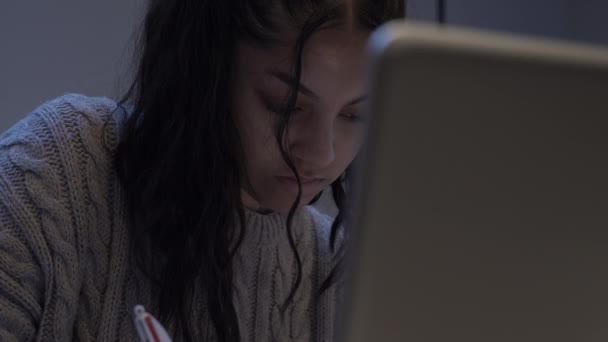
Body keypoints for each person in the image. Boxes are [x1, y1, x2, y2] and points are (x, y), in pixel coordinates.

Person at [0, 0, 405, 341]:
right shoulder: (55, 174)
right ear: (204, 69)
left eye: (357, 114)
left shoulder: (337, 276)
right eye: (285, 105)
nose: (322, 153)